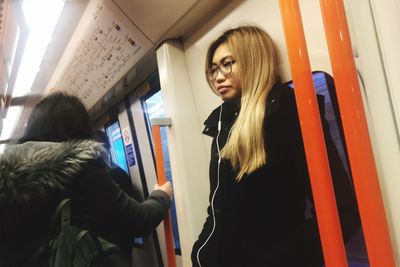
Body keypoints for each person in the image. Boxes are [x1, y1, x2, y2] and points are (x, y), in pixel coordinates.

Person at [191, 25, 360, 267]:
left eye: (227, 64)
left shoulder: (289, 115)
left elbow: (342, 213)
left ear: (252, 60)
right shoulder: (223, 126)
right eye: (214, 69)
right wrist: (200, 255)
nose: (218, 76)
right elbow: (218, 210)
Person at [0, 92, 172, 266]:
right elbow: (140, 221)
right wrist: (161, 195)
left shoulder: (7, 180)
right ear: (80, 129)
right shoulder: (80, 172)